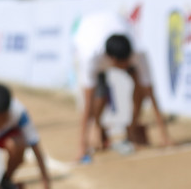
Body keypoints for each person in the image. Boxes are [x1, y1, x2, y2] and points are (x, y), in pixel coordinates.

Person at [72, 10, 172, 162]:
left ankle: (132, 127)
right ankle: (97, 126)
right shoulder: (90, 56)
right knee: (99, 96)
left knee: (140, 85)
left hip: (112, 29)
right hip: (86, 32)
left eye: (128, 62)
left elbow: (150, 92)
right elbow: (87, 102)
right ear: (111, 59)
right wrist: (82, 146)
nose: (126, 66)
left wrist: (164, 134)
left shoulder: (138, 52)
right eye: (122, 64)